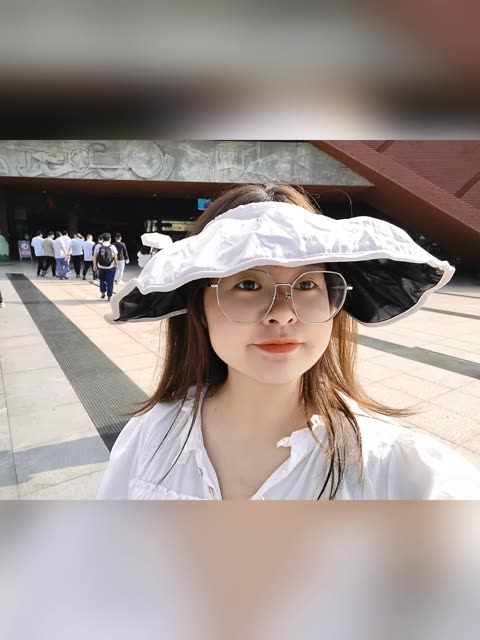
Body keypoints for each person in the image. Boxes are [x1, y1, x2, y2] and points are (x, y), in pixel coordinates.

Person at [98, 183, 480, 501]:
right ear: (198, 306)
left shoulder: (394, 470)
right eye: (249, 284)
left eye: (308, 284)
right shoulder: (150, 438)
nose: (283, 314)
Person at [93, 232, 118, 301]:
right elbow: (115, 256)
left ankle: (103, 292)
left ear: (102, 239)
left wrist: (94, 265)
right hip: (110, 267)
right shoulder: (112, 246)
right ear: (110, 239)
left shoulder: (98, 246)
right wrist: (116, 263)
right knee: (110, 281)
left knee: (102, 280)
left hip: (101, 266)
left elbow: (94, 256)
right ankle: (109, 296)